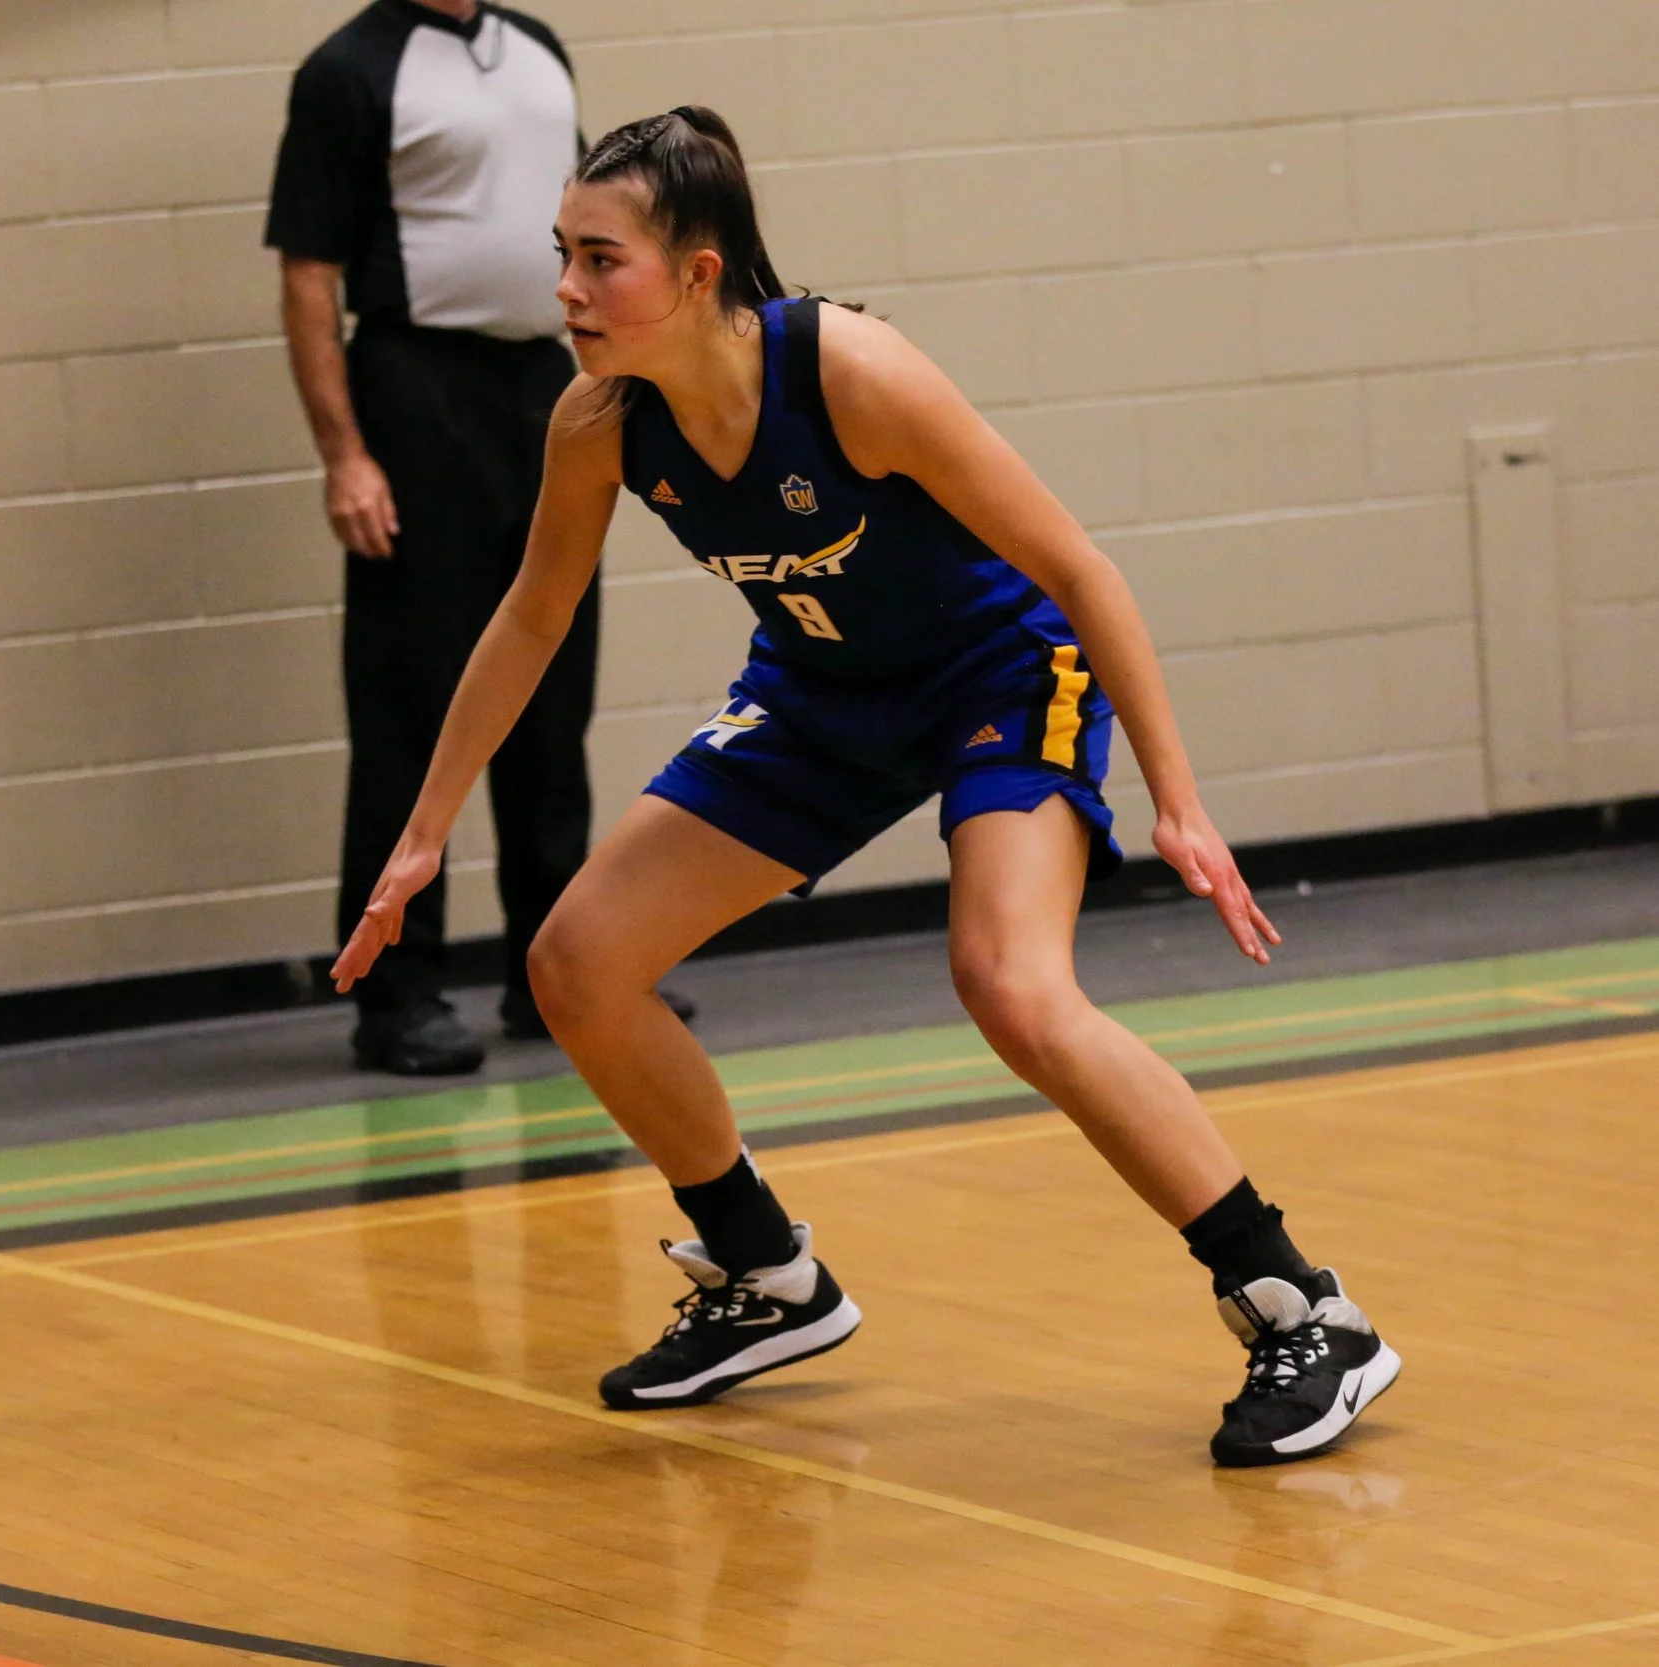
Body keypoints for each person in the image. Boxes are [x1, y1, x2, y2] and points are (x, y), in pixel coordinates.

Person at [336, 108, 1399, 1467]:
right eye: (562, 255)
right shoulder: (600, 421)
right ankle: (766, 1275)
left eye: (601, 260)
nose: (566, 290)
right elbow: (529, 621)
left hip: (998, 675)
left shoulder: (851, 371)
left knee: (1013, 986)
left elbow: (1084, 571)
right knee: (577, 963)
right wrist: (423, 834)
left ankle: (1303, 1306)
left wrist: (1178, 796)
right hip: (819, 693)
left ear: (701, 270)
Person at [268, 0, 632, 1075]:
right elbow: (306, 276)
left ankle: (552, 973)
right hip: (415, 391)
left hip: (543, 387)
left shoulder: (538, 49)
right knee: (409, 705)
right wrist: (347, 453)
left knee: (553, 692)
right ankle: (394, 993)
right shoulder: (346, 71)